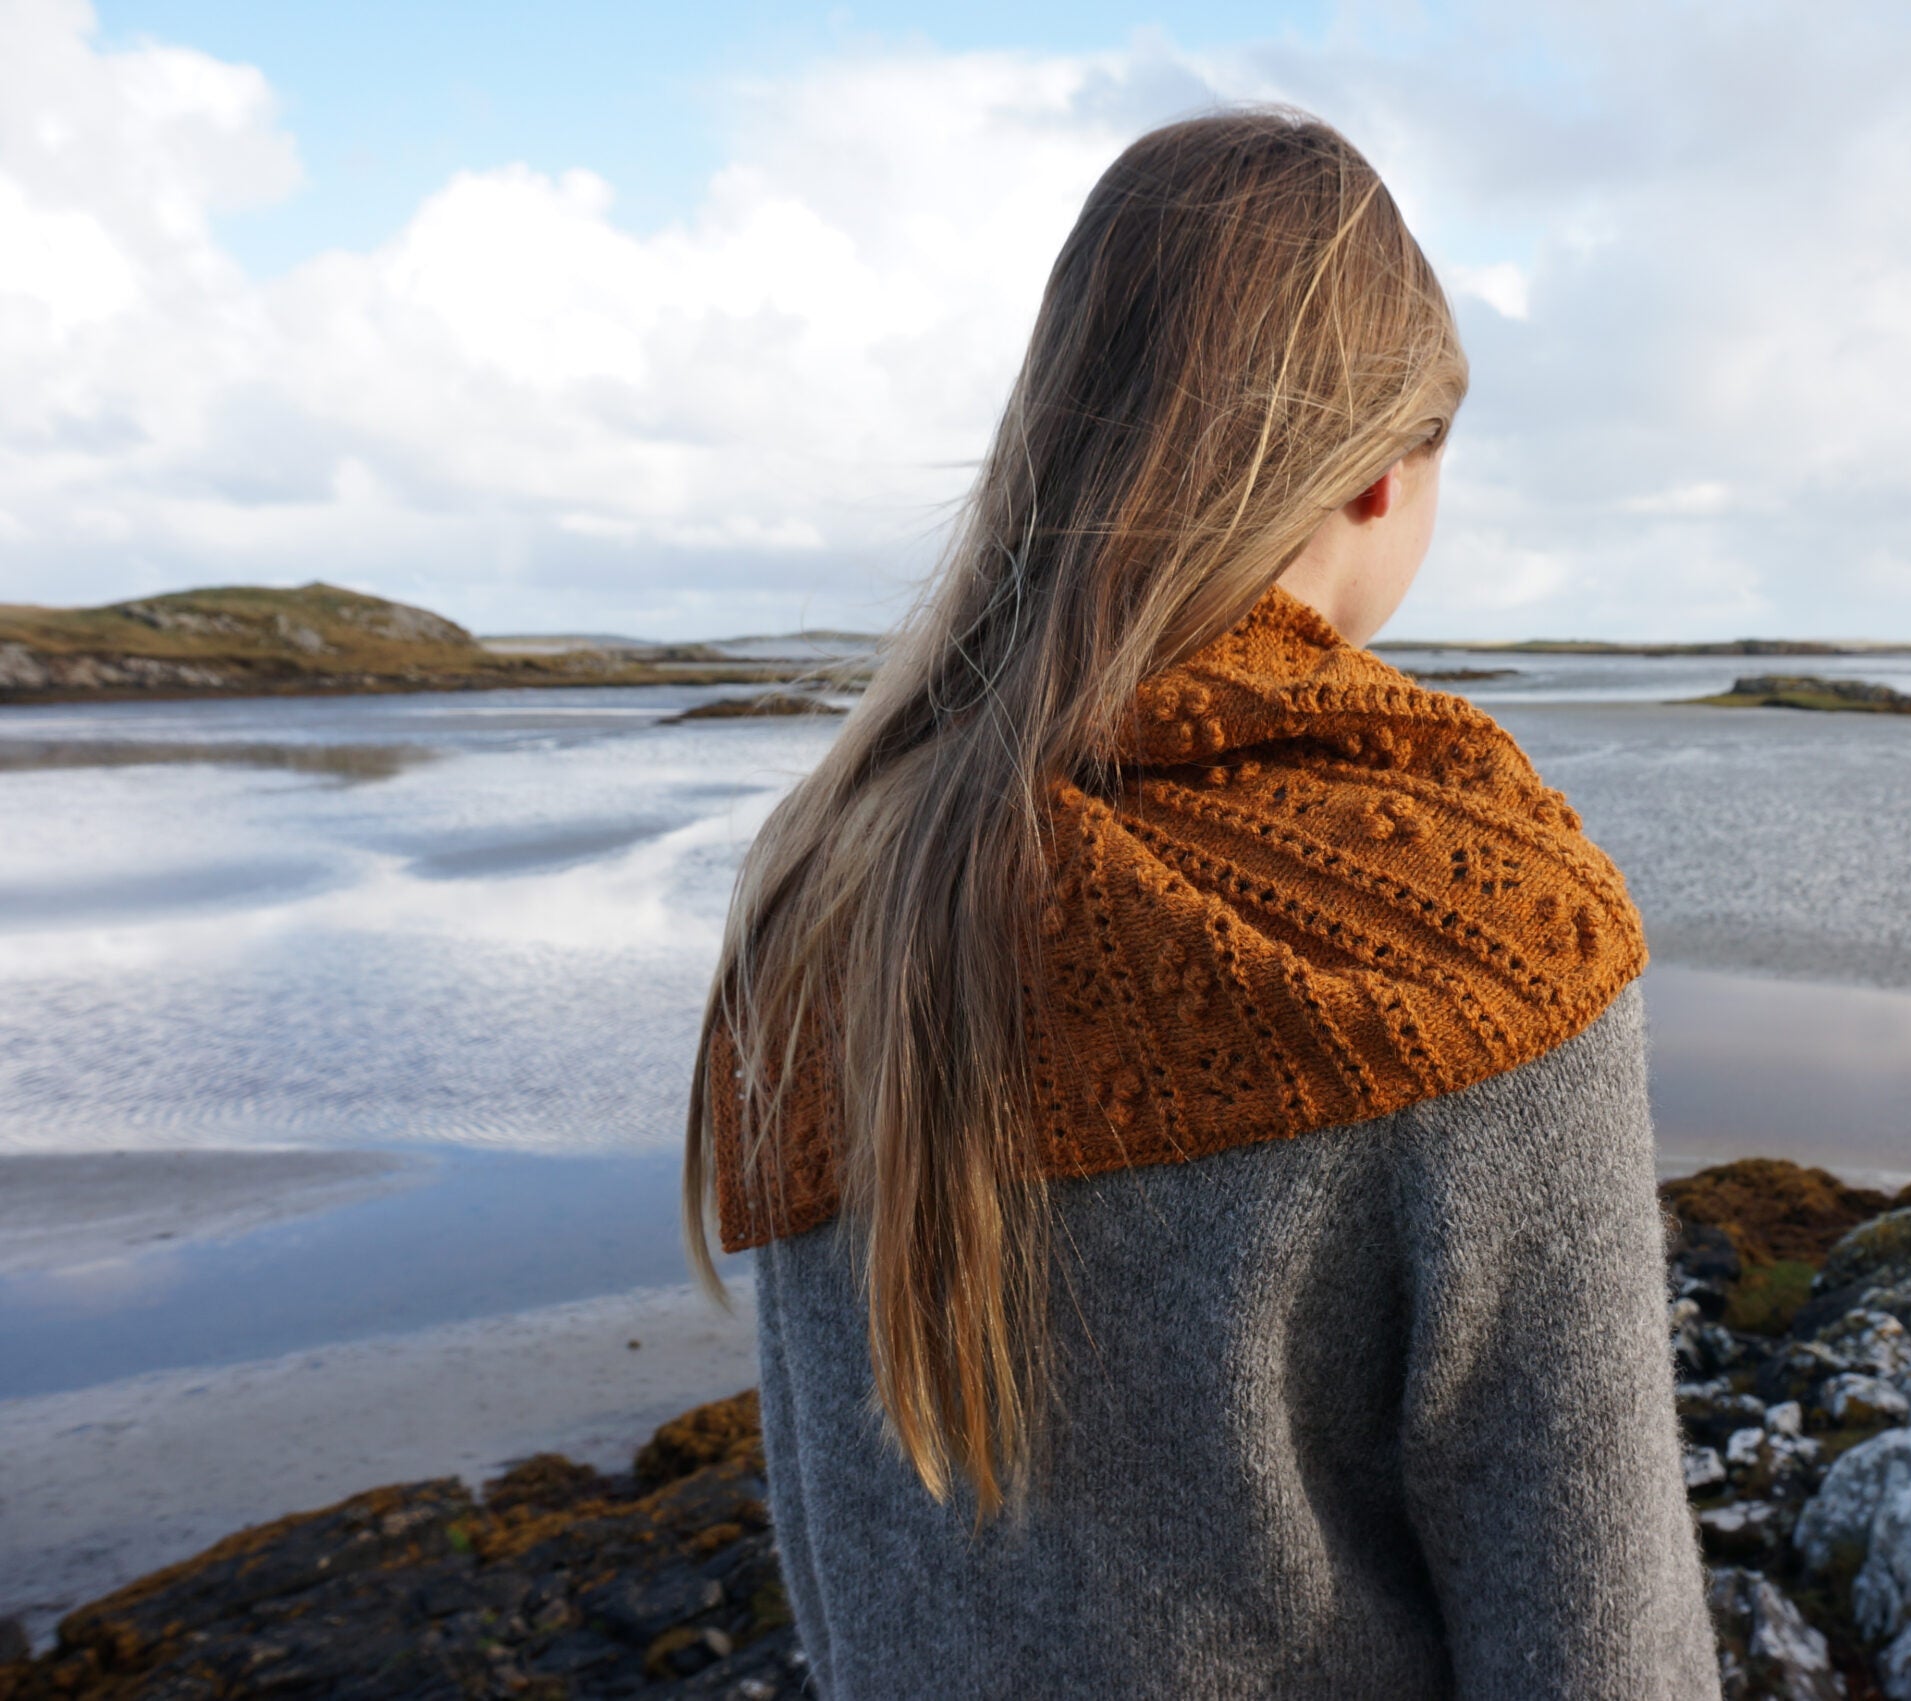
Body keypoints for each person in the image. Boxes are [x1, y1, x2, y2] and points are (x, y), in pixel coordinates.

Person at [682, 105, 1718, 1698]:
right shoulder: (1485, 938)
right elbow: (1601, 1641)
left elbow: (836, 1555)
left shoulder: (832, 893)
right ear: (1382, 475)